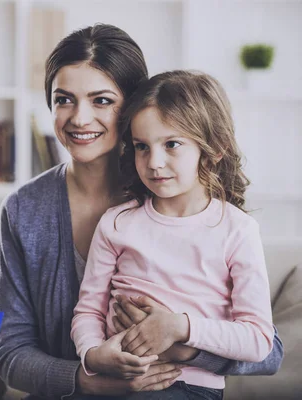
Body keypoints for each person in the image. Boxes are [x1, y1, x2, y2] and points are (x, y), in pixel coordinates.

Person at [0, 24, 283, 400]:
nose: (79, 119)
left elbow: (267, 351)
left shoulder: (188, 203)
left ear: (132, 108)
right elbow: (9, 353)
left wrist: (183, 345)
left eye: (101, 100)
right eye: (64, 99)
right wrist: (85, 377)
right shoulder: (25, 210)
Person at [71, 70, 274, 400]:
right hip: (111, 382)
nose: (155, 162)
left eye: (172, 144)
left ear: (215, 149)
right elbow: (89, 310)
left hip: (186, 386)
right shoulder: (116, 223)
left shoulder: (237, 230)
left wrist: (180, 327)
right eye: (141, 147)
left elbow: (259, 340)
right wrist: (93, 355)